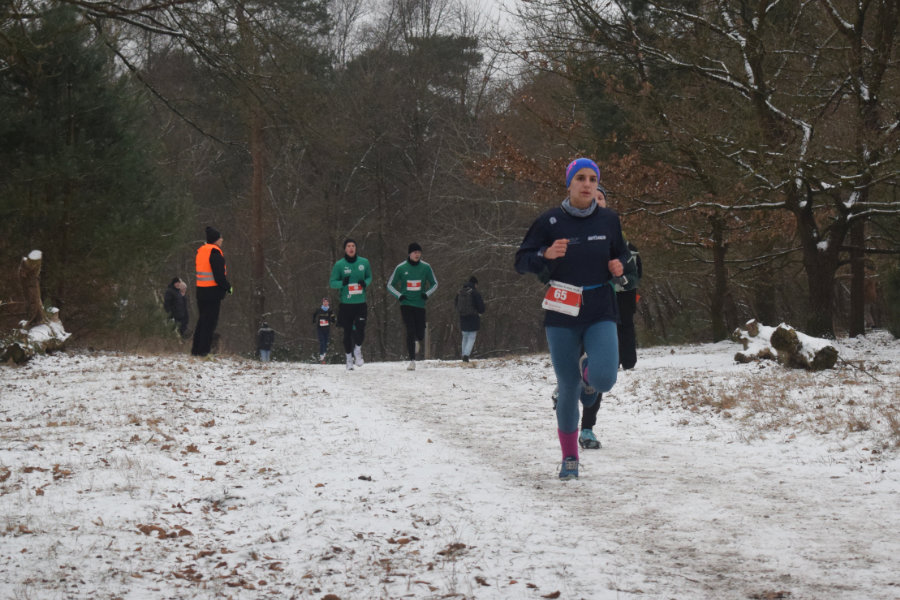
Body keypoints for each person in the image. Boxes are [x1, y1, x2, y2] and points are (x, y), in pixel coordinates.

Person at [515, 158, 629, 480]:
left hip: (599, 305)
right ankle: (569, 458)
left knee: (604, 378)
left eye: (593, 178)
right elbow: (521, 260)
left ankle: (587, 372)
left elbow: (620, 252)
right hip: (562, 308)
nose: (587, 184)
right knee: (567, 386)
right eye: (580, 178)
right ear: (569, 183)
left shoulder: (609, 219)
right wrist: (545, 255)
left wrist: (619, 264)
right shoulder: (549, 221)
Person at [577, 185, 642, 450]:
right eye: (591, 198)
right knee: (578, 365)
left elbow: (634, 280)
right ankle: (568, 386)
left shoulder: (624, 243)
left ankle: (587, 429)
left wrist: (619, 277)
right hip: (579, 313)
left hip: (611, 316)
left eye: (601, 198)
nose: (596, 202)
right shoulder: (570, 238)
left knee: (602, 374)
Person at [387, 242, 438, 370]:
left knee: (420, 333)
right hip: (406, 304)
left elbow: (435, 284)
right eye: (415, 252)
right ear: (409, 253)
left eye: (419, 252)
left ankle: (417, 340)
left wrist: (426, 294)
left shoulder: (426, 267)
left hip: (420, 304)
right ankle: (412, 360)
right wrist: (399, 295)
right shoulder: (401, 268)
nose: (417, 254)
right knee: (410, 330)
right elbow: (390, 285)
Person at [329, 239, 373, 370]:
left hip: (360, 303)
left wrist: (366, 283)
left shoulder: (364, 262)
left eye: (353, 245)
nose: (351, 248)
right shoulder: (339, 265)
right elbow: (332, 283)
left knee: (360, 328)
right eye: (348, 246)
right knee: (347, 333)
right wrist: (342, 282)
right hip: (346, 304)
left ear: (356, 248)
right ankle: (348, 358)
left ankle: (357, 350)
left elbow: (369, 277)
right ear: (345, 249)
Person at [191, 226, 232, 357]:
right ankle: (203, 351)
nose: (222, 240)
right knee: (209, 323)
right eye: (220, 238)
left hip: (201, 291)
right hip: (212, 293)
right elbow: (219, 276)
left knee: (202, 321)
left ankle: (196, 350)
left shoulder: (202, 252)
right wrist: (228, 287)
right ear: (216, 240)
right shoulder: (215, 254)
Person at [454, 276, 485, 364]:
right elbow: (480, 306)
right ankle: (466, 355)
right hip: (473, 317)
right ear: (475, 284)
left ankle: (463, 354)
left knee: (465, 336)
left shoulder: (460, 292)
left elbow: (456, 303)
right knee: (472, 337)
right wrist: (481, 311)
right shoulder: (475, 293)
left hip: (462, 317)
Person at [312, 297, 335, 364]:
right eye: (324, 302)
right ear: (323, 303)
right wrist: (314, 320)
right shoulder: (319, 309)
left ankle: (324, 353)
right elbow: (314, 315)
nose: (325, 303)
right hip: (320, 328)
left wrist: (331, 320)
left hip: (327, 328)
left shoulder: (330, 310)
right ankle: (321, 355)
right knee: (322, 341)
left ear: (328, 303)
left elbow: (333, 318)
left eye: (326, 302)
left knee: (326, 342)